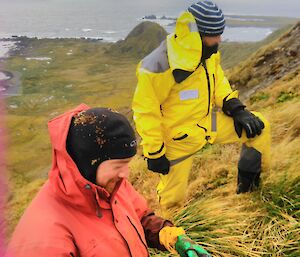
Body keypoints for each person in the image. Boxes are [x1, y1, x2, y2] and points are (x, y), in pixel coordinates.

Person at [5, 104, 211, 257]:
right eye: (118, 165)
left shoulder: (109, 184)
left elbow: (140, 217)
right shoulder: (43, 241)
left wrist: (170, 236)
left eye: (127, 163)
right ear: (88, 163)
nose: (126, 174)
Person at [132, 0, 271, 211]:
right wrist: (154, 152)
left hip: (208, 124)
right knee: (172, 202)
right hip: (177, 139)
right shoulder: (157, 66)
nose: (219, 40)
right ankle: (167, 236)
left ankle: (249, 194)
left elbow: (217, 80)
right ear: (197, 34)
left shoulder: (208, 52)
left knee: (260, 128)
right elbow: (145, 111)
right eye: (214, 35)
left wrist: (235, 107)